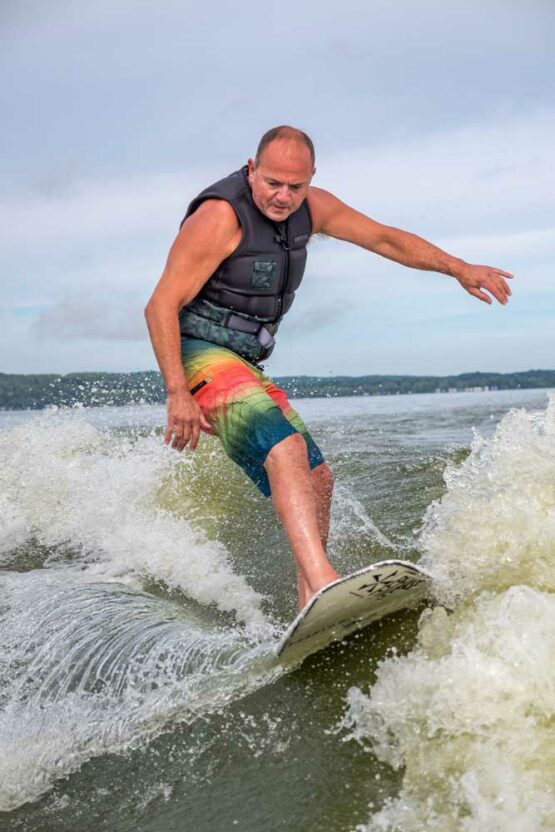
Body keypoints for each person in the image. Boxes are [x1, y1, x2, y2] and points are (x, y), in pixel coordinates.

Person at [145, 125, 513, 610]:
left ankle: (310, 602)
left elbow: (385, 239)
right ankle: (321, 580)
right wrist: (178, 392)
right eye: (273, 183)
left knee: (318, 477)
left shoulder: (313, 207)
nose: (283, 196)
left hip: (244, 361)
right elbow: (160, 305)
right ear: (252, 170)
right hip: (198, 352)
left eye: (296, 187)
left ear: (311, 178)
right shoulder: (219, 217)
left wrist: (459, 267)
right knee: (286, 446)